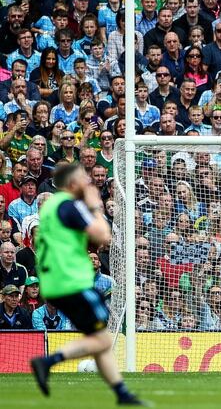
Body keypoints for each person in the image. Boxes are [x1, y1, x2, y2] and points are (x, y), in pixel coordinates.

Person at [30, 163, 145, 405]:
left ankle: (122, 394)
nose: (89, 181)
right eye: (84, 178)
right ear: (73, 184)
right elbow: (103, 236)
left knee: (99, 337)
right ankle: (48, 361)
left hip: (53, 282)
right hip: (71, 281)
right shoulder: (71, 206)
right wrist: (95, 204)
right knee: (102, 339)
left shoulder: (51, 206)